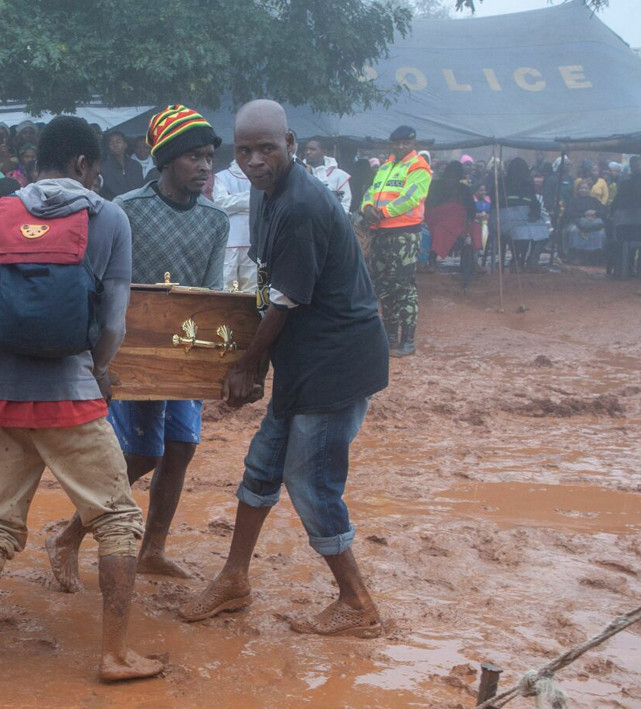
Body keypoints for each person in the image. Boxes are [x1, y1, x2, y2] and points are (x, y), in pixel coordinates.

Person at [0, 114, 162, 682]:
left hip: (1, 397)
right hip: (72, 396)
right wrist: (100, 370)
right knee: (116, 518)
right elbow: (113, 320)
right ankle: (113, 654)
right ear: (86, 165)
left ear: (38, 161)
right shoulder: (107, 216)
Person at [178, 99, 389, 639]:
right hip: (303, 358)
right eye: (244, 150)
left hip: (336, 362)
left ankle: (357, 601)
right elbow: (271, 285)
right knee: (262, 465)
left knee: (311, 481)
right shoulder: (263, 190)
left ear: (291, 144)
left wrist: (249, 365)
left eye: (266, 148)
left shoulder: (301, 205)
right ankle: (234, 578)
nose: (254, 161)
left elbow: (285, 299)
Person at [47, 105, 228, 589]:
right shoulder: (125, 210)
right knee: (143, 455)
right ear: (165, 160)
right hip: (132, 351)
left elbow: (210, 296)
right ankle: (67, 538)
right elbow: (101, 283)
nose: (205, 167)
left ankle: (154, 549)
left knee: (183, 447)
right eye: (193, 157)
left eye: (209, 157)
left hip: (184, 352)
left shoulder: (216, 220)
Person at [360, 125, 431, 357]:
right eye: (397, 143)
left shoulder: (418, 166)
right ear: (392, 144)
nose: (401, 147)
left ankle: (407, 340)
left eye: (406, 143)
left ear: (413, 143)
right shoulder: (385, 166)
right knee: (383, 285)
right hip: (380, 232)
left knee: (404, 285)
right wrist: (367, 207)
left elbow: (411, 197)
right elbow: (371, 191)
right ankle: (390, 337)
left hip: (404, 234)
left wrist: (384, 212)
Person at [427, 161, 479, 293]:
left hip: (460, 220)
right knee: (439, 230)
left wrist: (469, 219)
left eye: (456, 176)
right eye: (450, 175)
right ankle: (432, 261)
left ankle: (473, 262)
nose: (453, 179)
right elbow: (429, 206)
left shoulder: (465, 189)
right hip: (439, 218)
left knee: (475, 229)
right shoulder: (435, 186)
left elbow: (471, 210)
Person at [492, 157, 548, 273]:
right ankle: (516, 260)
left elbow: (534, 203)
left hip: (527, 215)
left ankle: (533, 259)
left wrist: (535, 214)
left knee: (544, 230)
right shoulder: (502, 183)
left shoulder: (528, 184)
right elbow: (496, 202)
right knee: (518, 231)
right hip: (506, 215)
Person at [212, 156, 257, 292]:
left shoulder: (260, 177)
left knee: (252, 284)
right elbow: (221, 204)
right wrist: (252, 197)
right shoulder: (222, 177)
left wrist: (235, 201)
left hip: (253, 238)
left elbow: (265, 201)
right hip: (230, 238)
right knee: (227, 281)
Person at [562, 180, 607, 264]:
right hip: (576, 222)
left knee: (601, 233)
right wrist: (584, 214)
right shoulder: (573, 200)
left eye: (586, 188)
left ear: (589, 189)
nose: (584, 190)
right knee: (574, 231)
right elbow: (568, 213)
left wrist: (594, 213)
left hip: (594, 224)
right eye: (582, 188)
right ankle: (577, 256)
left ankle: (594, 257)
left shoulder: (594, 201)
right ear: (578, 189)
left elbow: (603, 212)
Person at [303, 137, 352, 212]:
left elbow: (345, 204)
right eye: (306, 149)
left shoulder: (339, 175)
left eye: (313, 149)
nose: (308, 152)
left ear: (324, 152)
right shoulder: (298, 172)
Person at [98, 130, 145, 201]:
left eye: (118, 142)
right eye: (111, 143)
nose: (115, 145)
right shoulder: (104, 167)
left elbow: (140, 189)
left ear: (125, 145)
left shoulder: (136, 165)